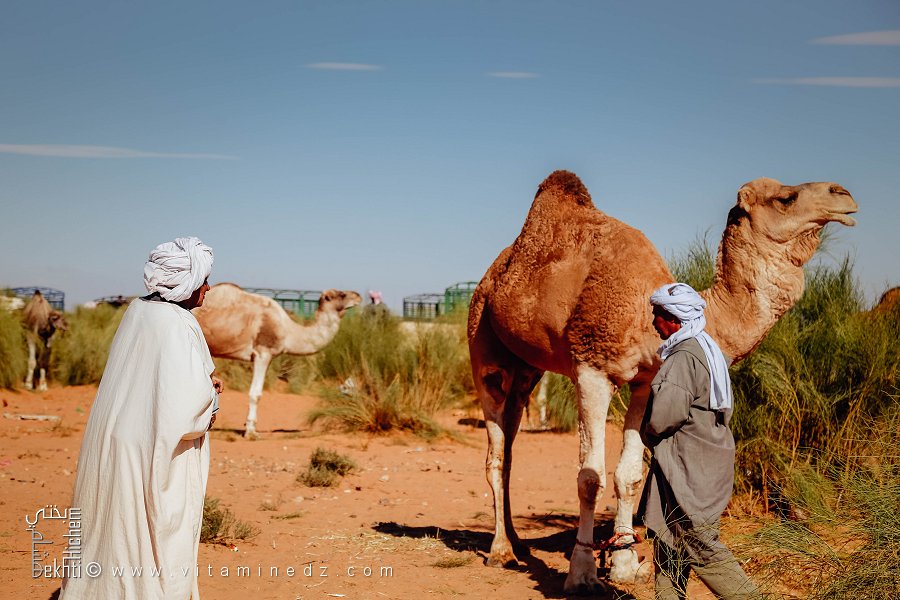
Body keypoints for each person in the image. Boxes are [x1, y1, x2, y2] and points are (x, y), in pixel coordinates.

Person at [61, 237, 223, 600]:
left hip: (118, 441)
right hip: (154, 450)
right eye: (203, 281)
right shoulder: (178, 322)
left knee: (115, 529)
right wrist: (210, 399)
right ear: (186, 283)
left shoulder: (137, 310)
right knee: (156, 537)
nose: (208, 288)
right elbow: (186, 411)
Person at [638, 283, 759, 600]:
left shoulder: (683, 357)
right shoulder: (707, 349)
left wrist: (647, 433)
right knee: (669, 541)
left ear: (673, 319)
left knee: (700, 545)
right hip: (701, 464)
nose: (653, 322)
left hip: (688, 468)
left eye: (657, 315)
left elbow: (664, 416)